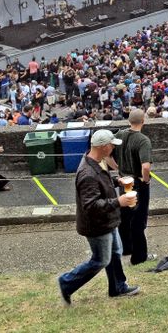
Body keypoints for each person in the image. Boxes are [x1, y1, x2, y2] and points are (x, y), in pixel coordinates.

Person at [57, 130, 139, 306]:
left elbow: (100, 183)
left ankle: (118, 287)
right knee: (100, 260)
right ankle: (66, 282)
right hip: (97, 225)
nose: (113, 148)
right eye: (112, 145)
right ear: (104, 147)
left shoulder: (96, 160)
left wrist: (116, 181)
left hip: (107, 220)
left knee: (115, 252)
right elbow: (91, 205)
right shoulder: (87, 174)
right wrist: (119, 201)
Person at [114, 108, 153, 265]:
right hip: (137, 183)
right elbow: (146, 167)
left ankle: (126, 248)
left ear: (129, 121)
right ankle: (139, 257)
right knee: (138, 219)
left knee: (124, 216)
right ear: (143, 121)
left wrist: (118, 168)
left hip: (123, 181)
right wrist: (146, 180)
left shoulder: (119, 135)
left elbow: (107, 155)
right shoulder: (143, 140)